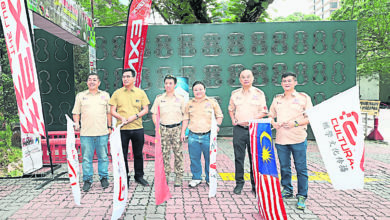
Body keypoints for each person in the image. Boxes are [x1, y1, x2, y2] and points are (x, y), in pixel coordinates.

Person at [269, 72, 313, 210]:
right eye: (284, 81)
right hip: (281, 139)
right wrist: (273, 123)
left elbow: (310, 117)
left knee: (301, 168)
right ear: (281, 83)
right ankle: (287, 190)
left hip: (298, 138)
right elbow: (270, 115)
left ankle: (302, 195)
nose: (286, 83)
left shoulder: (303, 98)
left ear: (295, 82)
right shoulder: (277, 99)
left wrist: (295, 123)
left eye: (289, 81)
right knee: (284, 167)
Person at [228, 69, 268, 195]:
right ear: (240, 79)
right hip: (239, 129)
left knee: (254, 158)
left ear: (252, 78)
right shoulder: (235, 94)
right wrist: (233, 119)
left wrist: (251, 120)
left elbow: (264, 112)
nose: (246, 79)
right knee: (239, 158)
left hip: (254, 129)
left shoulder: (259, 93)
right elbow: (231, 109)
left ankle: (255, 185)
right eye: (243, 77)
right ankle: (239, 183)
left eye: (248, 77)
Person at [109, 68, 150, 186]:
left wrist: (135, 116)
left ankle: (139, 176)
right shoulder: (117, 93)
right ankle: (124, 176)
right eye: (123, 77)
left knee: (138, 153)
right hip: (122, 129)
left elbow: (145, 109)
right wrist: (121, 118)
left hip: (137, 128)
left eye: (128, 76)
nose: (125, 79)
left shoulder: (140, 93)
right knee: (122, 154)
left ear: (134, 78)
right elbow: (112, 110)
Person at [72, 74, 112, 192]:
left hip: (102, 132)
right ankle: (87, 180)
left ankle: (104, 177)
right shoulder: (81, 96)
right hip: (86, 133)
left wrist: (110, 126)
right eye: (89, 80)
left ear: (99, 83)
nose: (92, 82)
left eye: (94, 80)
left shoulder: (105, 95)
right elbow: (76, 112)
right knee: (86, 158)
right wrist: (77, 123)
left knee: (103, 157)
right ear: (87, 82)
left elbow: (109, 113)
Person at [180, 81, 223, 187]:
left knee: (209, 159)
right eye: (195, 90)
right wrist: (182, 132)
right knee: (194, 158)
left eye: (200, 89)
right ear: (193, 91)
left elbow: (219, 116)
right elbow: (185, 119)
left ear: (205, 90)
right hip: (193, 136)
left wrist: (217, 126)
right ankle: (196, 178)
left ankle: (209, 178)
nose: (198, 91)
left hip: (208, 136)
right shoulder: (189, 104)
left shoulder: (212, 102)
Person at [151, 75, 186, 187]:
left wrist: (183, 132)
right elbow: (154, 114)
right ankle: (165, 175)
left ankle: (179, 176)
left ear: (175, 85)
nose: (168, 85)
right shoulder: (159, 98)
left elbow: (185, 116)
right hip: (164, 129)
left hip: (176, 128)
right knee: (164, 154)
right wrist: (158, 128)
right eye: (166, 83)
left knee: (178, 154)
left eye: (170, 83)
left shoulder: (181, 98)